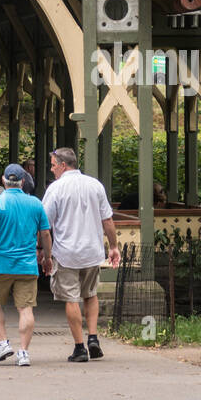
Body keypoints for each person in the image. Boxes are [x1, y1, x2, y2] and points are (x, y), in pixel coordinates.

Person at [41, 147, 121, 362]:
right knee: (90, 294)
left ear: (63, 165)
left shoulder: (55, 189)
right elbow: (108, 220)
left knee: (71, 298)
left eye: (53, 165)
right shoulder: (95, 185)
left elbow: (44, 225)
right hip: (92, 251)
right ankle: (93, 337)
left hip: (66, 252)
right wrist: (113, 246)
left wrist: (44, 253)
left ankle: (79, 347)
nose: (52, 169)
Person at [0, 163, 52, 368]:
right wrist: (48, 257)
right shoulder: (35, 204)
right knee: (25, 308)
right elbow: (45, 233)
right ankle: (24, 352)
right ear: (22, 181)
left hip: (0, 263)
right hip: (27, 265)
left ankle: (3, 343)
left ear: (3, 180)